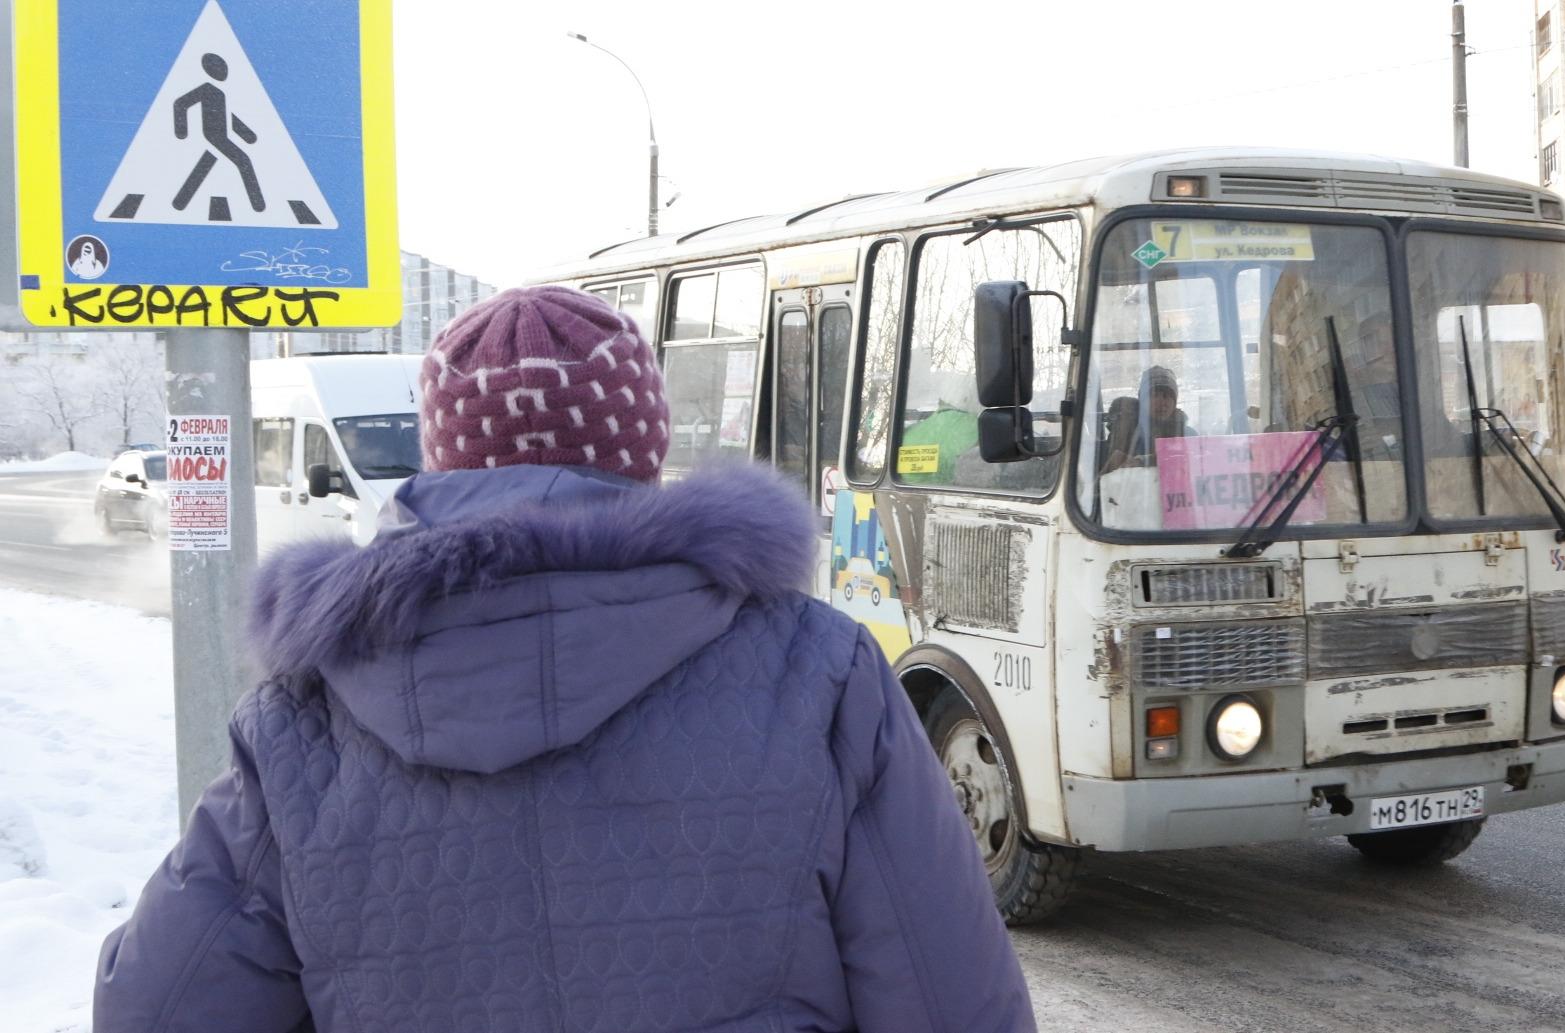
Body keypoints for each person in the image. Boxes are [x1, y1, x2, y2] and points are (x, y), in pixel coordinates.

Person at [93, 286, 1035, 1033]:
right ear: (642, 448)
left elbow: (153, 1010)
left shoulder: (301, 721)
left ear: (442, 457)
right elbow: (953, 997)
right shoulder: (818, 672)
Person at [1100, 365, 1193, 474]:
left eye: (1167, 396)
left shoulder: (1188, 435)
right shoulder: (1128, 434)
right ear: (1142, 400)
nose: (1162, 402)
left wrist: (1141, 461)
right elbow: (1101, 483)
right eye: (1154, 395)